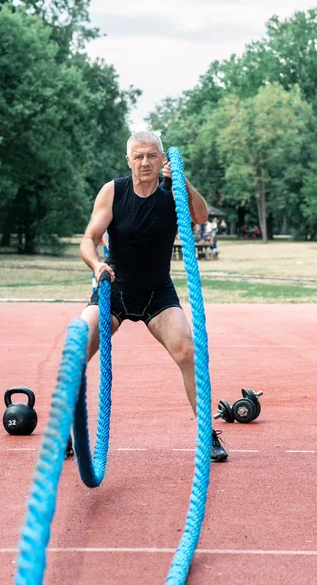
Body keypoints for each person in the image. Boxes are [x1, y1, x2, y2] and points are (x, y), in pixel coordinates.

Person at [79, 131, 228, 462]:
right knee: (75, 348)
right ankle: (68, 432)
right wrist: (96, 264)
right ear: (128, 160)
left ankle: (207, 434)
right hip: (114, 290)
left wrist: (183, 182)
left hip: (156, 292)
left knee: (188, 352)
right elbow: (89, 238)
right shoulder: (113, 191)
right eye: (138, 156)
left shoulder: (171, 196)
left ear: (163, 160)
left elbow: (201, 217)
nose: (145, 162)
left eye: (152, 156)